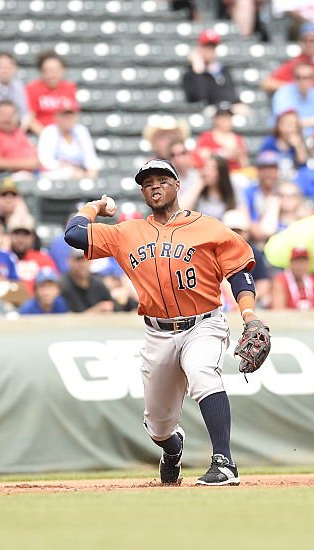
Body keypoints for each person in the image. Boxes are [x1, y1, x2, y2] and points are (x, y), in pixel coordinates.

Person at [64, 157, 269, 486]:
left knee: (203, 373)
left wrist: (249, 315)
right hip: (157, 333)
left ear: (177, 186)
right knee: (158, 424)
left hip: (203, 323)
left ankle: (224, 462)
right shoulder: (127, 232)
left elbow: (239, 275)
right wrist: (93, 206)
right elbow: (74, 235)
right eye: (147, 183)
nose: (154, 186)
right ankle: (173, 449)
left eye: (161, 180)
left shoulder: (209, 227)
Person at [270, 63, 314, 138]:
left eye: (308, 77)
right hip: (288, 139)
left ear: (313, 78)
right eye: (299, 77)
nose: (303, 81)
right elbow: (285, 122)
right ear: (294, 79)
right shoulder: (284, 93)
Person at [36, 98, 98, 179]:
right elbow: (45, 161)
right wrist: (67, 167)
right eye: (64, 115)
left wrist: (91, 172)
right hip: (54, 173)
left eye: (70, 115)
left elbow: (90, 157)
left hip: (79, 171)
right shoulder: (49, 132)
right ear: (56, 116)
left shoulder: (81, 130)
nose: (68, 119)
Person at [0, 100, 40, 176]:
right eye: (3, 114)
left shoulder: (18, 132)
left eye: (12, 114)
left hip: (38, 172)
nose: (8, 118)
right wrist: (26, 164)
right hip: (10, 177)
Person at [182, 29, 241, 107]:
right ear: (199, 48)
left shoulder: (224, 71)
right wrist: (199, 70)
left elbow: (231, 96)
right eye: (206, 46)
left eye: (212, 47)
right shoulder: (190, 74)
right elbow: (200, 98)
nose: (210, 51)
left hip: (225, 111)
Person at [25, 52, 77, 133]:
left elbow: (72, 116)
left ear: (62, 70)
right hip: (41, 134)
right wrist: (46, 135)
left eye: (55, 70)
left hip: (65, 133)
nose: (52, 75)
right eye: (48, 71)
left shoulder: (69, 87)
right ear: (41, 72)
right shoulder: (32, 88)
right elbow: (29, 119)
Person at [194, 102, 249, 172]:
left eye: (228, 116)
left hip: (235, 174)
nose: (225, 119)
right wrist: (224, 155)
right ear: (215, 119)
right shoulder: (207, 137)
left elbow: (244, 163)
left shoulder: (238, 139)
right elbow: (202, 156)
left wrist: (239, 157)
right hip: (215, 174)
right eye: (222, 116)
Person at [57, 248, 114, 313]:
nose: (82, 265)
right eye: (78, 260)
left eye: (85, 260)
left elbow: (114, 306)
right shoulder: (62, 285)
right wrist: (97, 309)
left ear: (91, 262)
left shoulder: (98, 284)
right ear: (69, 262)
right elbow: (67, 317)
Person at [8, 219, 56, 294]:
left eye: (25, 234)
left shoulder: (43, 258)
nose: (20, 239)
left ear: (33, 237)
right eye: (16, 234)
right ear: (9, 236)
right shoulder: (3, 258)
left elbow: (52, 286)